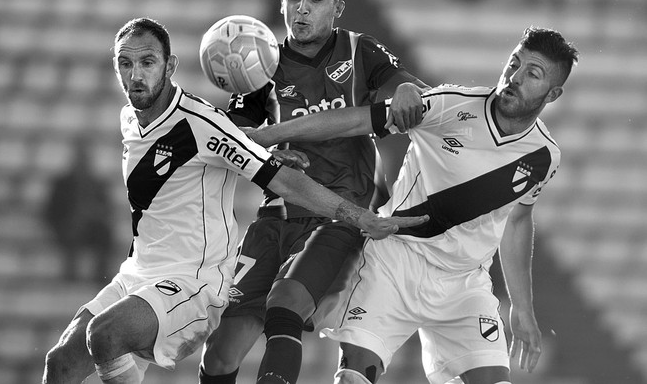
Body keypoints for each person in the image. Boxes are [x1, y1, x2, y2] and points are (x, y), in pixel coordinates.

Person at [40, 17, 427, 384]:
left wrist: (358, 216)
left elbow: (288, 183)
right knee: (59, 363)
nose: (135, 75)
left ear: (170, 65)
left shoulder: (202, 124)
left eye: (147, 62)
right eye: (125, 63)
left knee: (104, 334)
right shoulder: (131, 116)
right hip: (138, 272)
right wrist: (260, 145)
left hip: (192, 280)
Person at [248, 26, 579, 384]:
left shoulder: (545, 156)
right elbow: (354, 121)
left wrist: (522, 308)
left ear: (553, 93)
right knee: (354, 378)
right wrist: (266, 135)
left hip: (463, 284)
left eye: (532, 74)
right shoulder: (450, 105)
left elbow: (517, 219)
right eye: (514, 63)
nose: (514, 78)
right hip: (395, 264)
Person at [199, 0, 429, 384]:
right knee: (221, 354)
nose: (300, 10)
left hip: (338, 214)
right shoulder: (260, 63)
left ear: (337, 8)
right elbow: (234, 140)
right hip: (275, 216)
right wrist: (262, 151)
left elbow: (403, 86)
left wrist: (404, 89)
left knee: (284, 305)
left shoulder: (360, 51)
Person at [43, 137, 115, 284]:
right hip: (67, 227)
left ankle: (100, 276)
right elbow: (50, 211)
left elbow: (107, 210)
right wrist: (63, 223)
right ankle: (70, 275)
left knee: (104, 233)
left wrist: (94, 213)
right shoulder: (62, 183)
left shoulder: (97, 184)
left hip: (91, 227)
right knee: (73, 230)